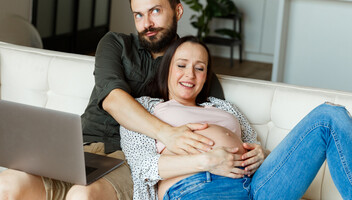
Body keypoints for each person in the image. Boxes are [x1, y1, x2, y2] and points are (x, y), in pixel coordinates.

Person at [0, 0, 230, 200]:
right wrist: (167, 133)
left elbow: (222, 120)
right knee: (4, 186)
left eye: (155, 11)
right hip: (80, 148)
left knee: (83, 196)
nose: (147, 23)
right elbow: (113, 100)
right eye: (138, 15)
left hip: (130, 159)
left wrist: (253, 153)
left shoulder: (193, 68)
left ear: (177, 11)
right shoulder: (115, 44)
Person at [121, 36, 352, 200]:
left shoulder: (225, 108)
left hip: (259, 185)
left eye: (200, 68)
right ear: (166, 69)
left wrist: (263, 155)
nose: (190, 74)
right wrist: (207, 161)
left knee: (330, 115)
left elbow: (253, 147)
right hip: (199, 188)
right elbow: (141, 167)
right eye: (181, 65)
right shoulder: (145, 109)